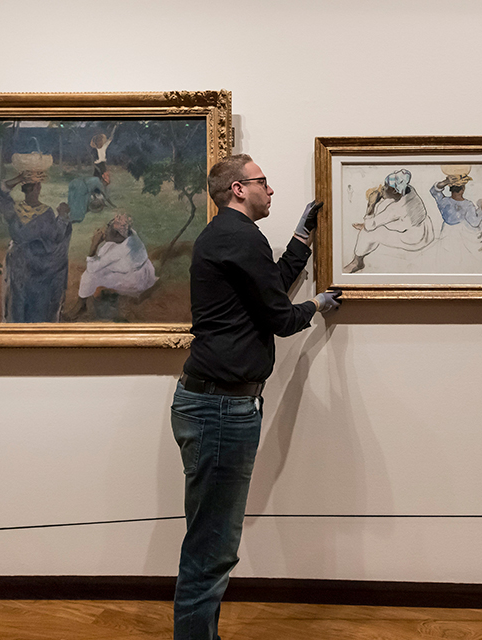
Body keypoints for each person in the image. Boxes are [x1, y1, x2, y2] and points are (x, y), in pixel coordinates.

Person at [170, 153, 341, 640]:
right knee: (213, 545)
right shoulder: (241, 237)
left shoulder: (228, 235)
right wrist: (317, 305)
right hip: (220, 408)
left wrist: (302, 240)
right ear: (238, 189)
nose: (271, 190)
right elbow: (280, 318)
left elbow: (267, 290)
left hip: (213, 403)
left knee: (210, 538)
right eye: (263, 182)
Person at [0, 172, 72, 322]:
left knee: (18, 304)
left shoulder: (14, 210)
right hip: (40, 269)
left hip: (19, 265)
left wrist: (17, 179)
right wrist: (62, 216)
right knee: (39, 308)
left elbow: (0, 193)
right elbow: (56, 237)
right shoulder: (46, 214)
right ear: (38, 187)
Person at [66, 212, 158, 319]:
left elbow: (91, 268)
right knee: (97, 269)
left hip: (133, 280)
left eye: (108, 226)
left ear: (116, 235)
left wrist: (94, 245)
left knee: (89, 276)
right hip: (144, 272)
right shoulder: (130, 236)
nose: (105, 229)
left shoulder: (119, 252)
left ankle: (81, 305)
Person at [343, 168, 435, 273]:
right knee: (384, 205)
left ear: (395, 190)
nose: (382, 188)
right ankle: (371, 223)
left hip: (414, 239)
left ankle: (357, 262)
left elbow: (373, 224)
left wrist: (371, 204)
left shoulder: (397, 209)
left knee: (368, 232)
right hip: (423, 229)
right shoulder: (409, 191)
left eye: (386, 186)